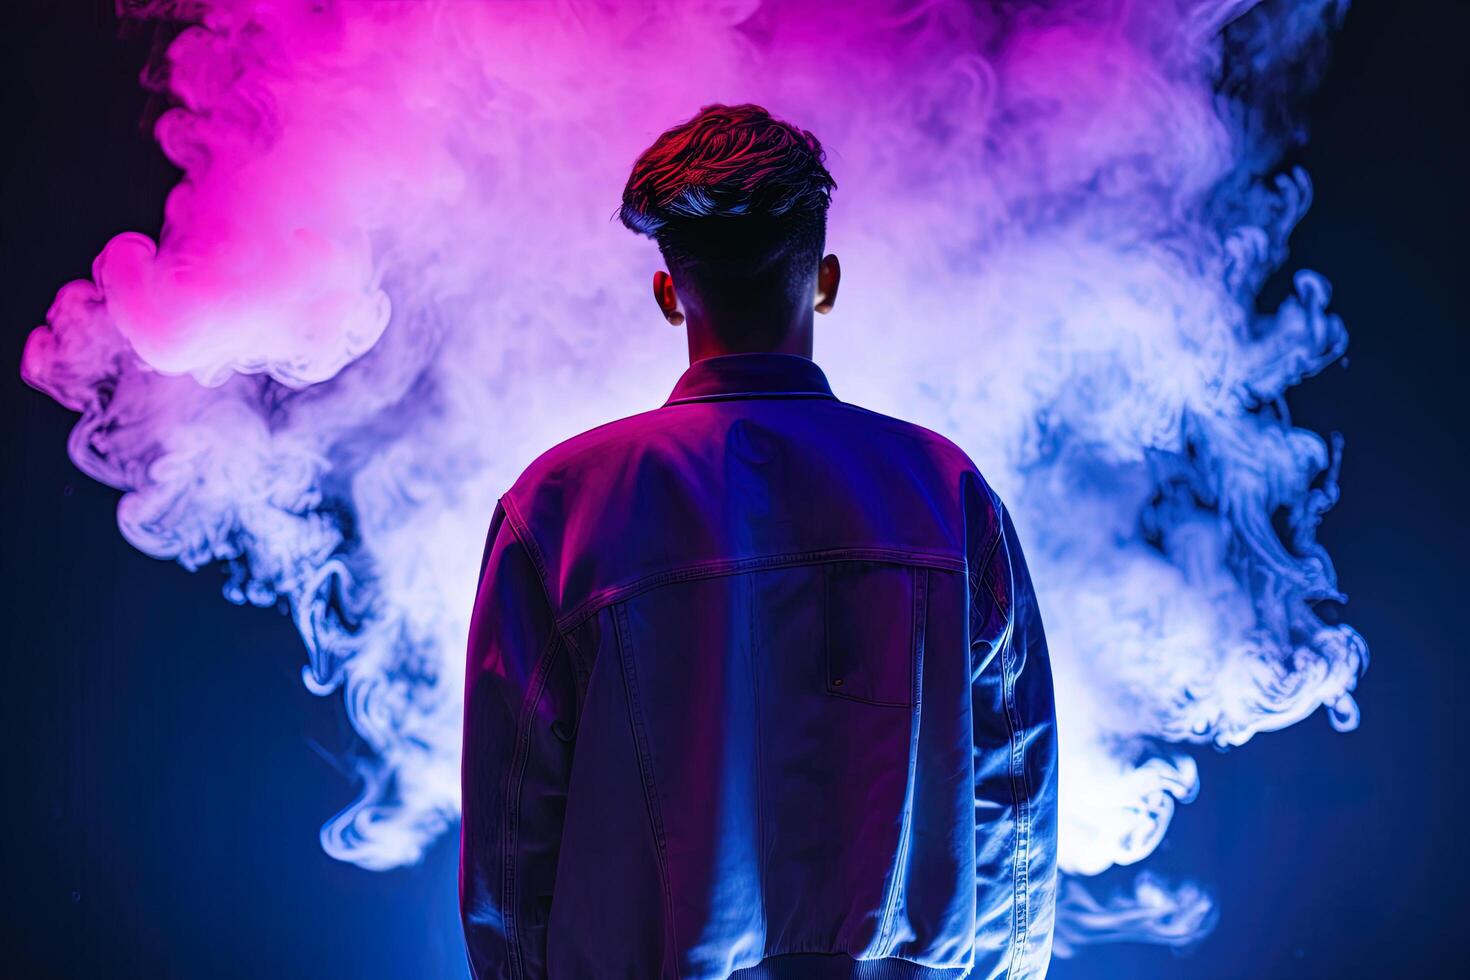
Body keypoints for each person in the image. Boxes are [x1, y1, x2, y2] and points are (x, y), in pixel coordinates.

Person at [459, 103, 1058, 980]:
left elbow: (511, 850)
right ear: (826, 278)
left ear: (668, 293)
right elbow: (1017, 813)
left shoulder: (559, 508)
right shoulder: (948, 494)